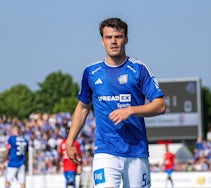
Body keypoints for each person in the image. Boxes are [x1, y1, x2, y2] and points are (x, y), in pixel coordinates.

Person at [66, 17, 166, 188]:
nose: (113, 42)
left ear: (126, 39)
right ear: (102, 41)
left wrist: (131, 110)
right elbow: (82, 107)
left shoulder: (139, 69)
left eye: (118, 37)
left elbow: (160, 105)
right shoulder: (91, 72)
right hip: (105, 151)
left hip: (136, 151)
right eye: (108, 37)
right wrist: (69, 141)